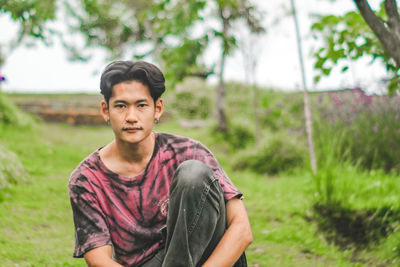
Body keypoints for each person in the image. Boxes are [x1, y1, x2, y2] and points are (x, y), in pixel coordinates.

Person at [68, 60, 253, 267]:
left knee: (194, 174)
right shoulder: (86, 179)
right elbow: (98, 258)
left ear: (157, 109)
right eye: (120, 106)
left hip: (209, 261)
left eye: (141, 106)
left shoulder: (189, 152)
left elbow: (242, 229)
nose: (131, 117)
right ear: (105, 110)